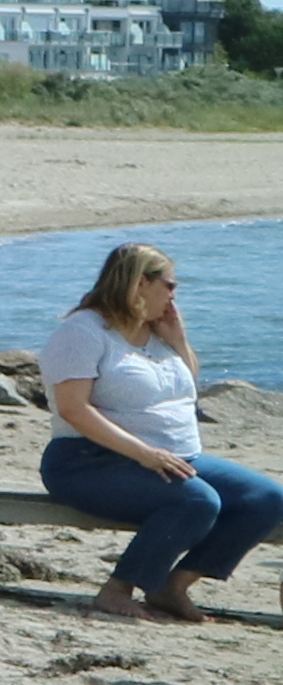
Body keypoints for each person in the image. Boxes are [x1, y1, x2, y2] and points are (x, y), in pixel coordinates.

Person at [40, 242, 280, 622]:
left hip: (170, 458)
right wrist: (143, 453)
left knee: (264, 497)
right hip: (88, 462)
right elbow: (73, 408)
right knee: (197, 501)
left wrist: (178, 339)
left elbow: (185, 386)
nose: (173, 294)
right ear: (139, 283)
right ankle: (118, 589)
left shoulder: (154, 333)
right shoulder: (83, 332)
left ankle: (173, 588)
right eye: (169, 285)